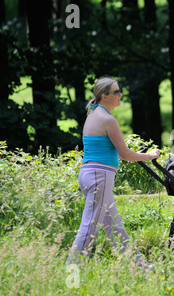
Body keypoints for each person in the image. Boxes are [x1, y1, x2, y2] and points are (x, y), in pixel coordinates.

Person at [66, 75, 160, 267]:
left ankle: (141, 267)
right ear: (104, 96)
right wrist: (149, 156)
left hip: (90, 175)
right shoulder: (108, 120)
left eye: (119, 90)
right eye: (116, 91)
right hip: (99, 176)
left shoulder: (93, 113)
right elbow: (125, 154)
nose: (120, 94)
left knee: (115, 227)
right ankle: (70, 274)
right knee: (89, 227)